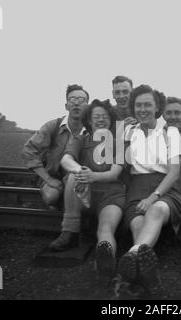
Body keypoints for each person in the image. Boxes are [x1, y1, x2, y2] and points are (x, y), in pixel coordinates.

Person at [117, 85, 181, 296]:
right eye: (138, 105)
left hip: (166, 187)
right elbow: (119, 164)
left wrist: (153, 197)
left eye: (147, 104)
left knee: (155, 211)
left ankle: (130, 259)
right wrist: (120, 136)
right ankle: (149, 279)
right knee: (138, 225)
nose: (142, 109)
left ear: (157, 108)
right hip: (137, 187)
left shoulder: (171, 132)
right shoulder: (128, 131)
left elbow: (174, 172)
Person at [48, 99, 126, 279]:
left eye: (105, 116)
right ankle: (69, 232)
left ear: (110, 120)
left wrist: (95, 176)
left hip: (111, 195)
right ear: (89, 120)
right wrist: (81, 171)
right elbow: (65, 160)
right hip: (85, 194)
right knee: (73, 176)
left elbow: (115, 173)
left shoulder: (118, 143)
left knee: (106, 228)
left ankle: (106, 260)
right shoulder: (81, 139)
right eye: (96, 116)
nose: (100, 120)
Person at [21, 84, 89, 208]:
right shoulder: (53, 126)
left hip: (79, 179)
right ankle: (62, 202)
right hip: (54, 177)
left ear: (87, 105)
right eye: (72, 99)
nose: (76, 103)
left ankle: (67, 206)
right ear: (66, 106)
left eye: (81, 99)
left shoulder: (92, 129)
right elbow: (28, 150)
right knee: (51, 196)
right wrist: (48, 179)